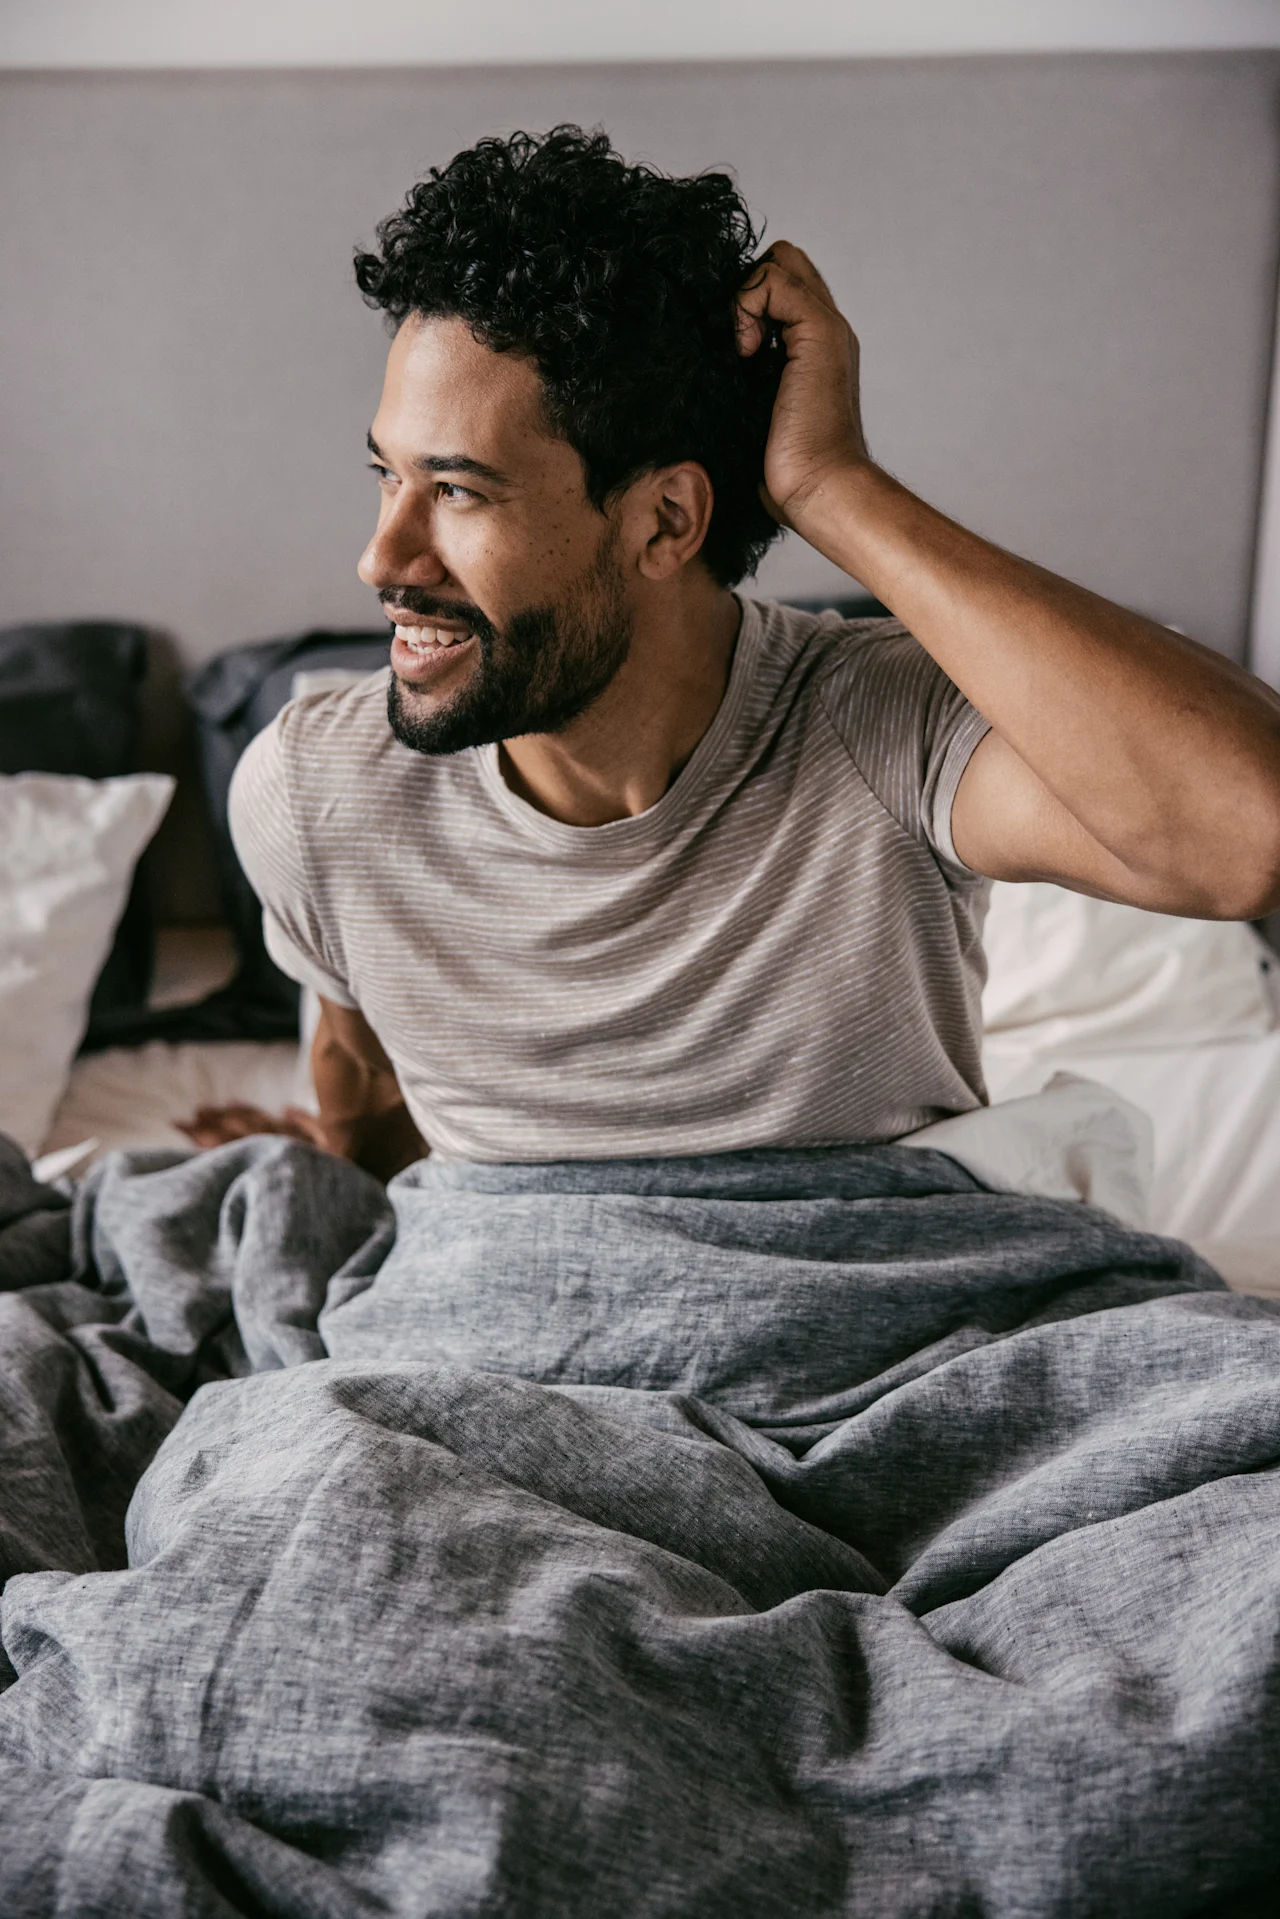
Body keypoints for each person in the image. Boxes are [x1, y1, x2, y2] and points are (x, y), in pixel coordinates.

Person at [185, 126, 1280, 1179]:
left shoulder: (875, 724)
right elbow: (365, 1096)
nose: (380, 555)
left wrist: (833, 487)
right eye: (388, 475)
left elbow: (1247, 835)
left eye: (458, 490)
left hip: (882, 1336)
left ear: (664, 521)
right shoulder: (317, 786)